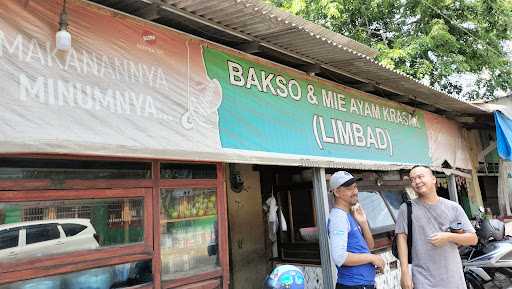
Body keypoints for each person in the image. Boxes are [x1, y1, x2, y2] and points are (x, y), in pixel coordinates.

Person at [396, 166, 478, 289]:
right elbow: (401, 239)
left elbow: (473, 239)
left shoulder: (453, 207)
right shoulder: (406, 209)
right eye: (412, 179)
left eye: (420, 177)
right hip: (423, 279)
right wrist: (404, 273)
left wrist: (448, 236)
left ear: (434, 179)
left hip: (453, 278)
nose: (416, 182)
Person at [328, 171, 385, 289]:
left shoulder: (349, 214)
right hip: (353, 285)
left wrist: (363, 223)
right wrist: (373, 258)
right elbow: (339, 257)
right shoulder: (338, 217)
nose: (355, 192)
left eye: (355, 187)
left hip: (362, 284)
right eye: (349, 188)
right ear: (337, 192)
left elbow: (369, 246)